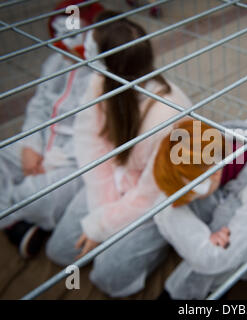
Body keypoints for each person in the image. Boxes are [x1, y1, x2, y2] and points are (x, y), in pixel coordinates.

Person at [45, 11, 192, 298]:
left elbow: (153, 193)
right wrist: (102, 210)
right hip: (117, 181)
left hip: (159, 200)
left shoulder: (167, 115)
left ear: (109, 64)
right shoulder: (101, 83)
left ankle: (166, 242)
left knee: (110, 276)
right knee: (62, 251)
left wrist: (102, 226)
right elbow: (92, 144)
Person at [153, 118, 247, 300]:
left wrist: (198, 241)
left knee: (215, 265)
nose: (177, 201)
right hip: (230, 212)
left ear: (215, 172)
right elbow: (163, 203)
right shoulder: (209, 144)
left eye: (187, 192)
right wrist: (203, 242)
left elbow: (219, 256)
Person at [0, 0, 103, 258]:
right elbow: (38, 107)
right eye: (58, 37)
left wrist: (55, 159)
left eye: (73, 37)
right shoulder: (54, 63)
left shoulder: (103, 74)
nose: (63, 46)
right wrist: (32, 146)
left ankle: (16, 215)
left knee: (38, 195)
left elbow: (98, 134)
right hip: (42, 141)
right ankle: (15, 221)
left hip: (75, 158)